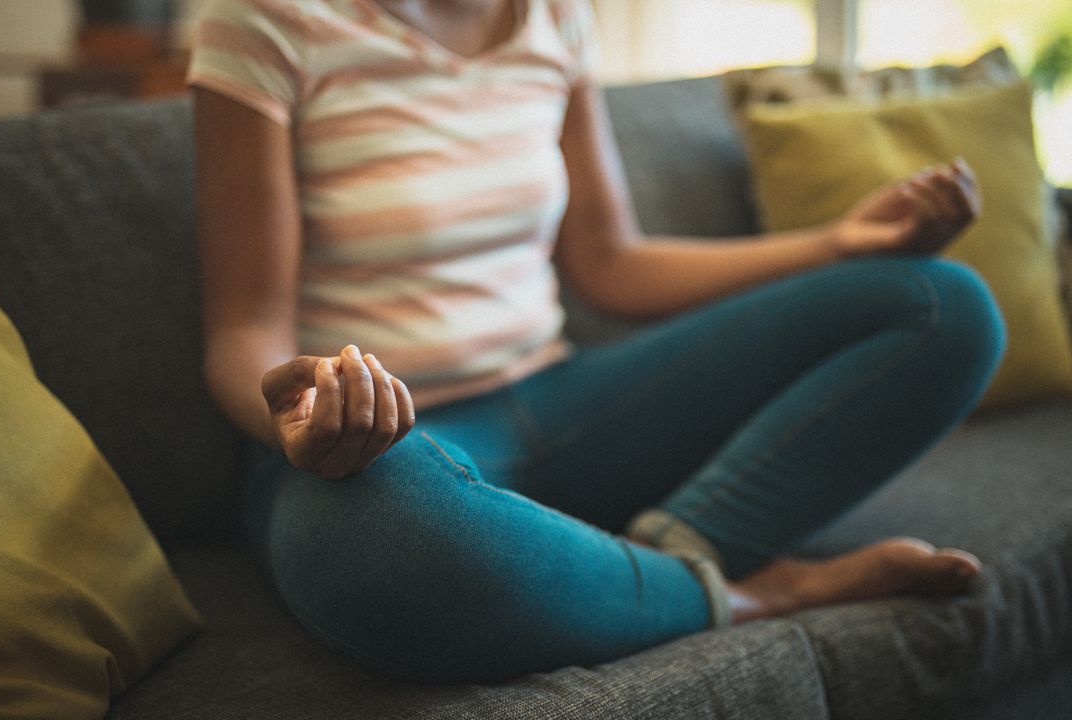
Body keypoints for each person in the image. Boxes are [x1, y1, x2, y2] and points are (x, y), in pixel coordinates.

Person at [188, 0, 1005, 683]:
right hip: (387, 447)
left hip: (566, 407)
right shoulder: (266, 23)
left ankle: (649, 563)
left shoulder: (555, 16)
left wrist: (838, 242)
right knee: (365, 544)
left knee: (944, 306)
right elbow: (242, 330)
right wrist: (301, 418)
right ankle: (761, 593)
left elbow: (610, 263)